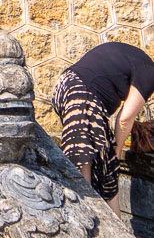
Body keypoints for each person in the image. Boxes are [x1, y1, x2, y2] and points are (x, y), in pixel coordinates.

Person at [51, 40, 154, 213]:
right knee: (84, 173)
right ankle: (88, 224)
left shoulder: (137, 59)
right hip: (81, 95)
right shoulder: (149, 72)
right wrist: (117, 150)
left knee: (106, 169)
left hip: (63, 87)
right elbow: (125, 119)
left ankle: (117, 233)